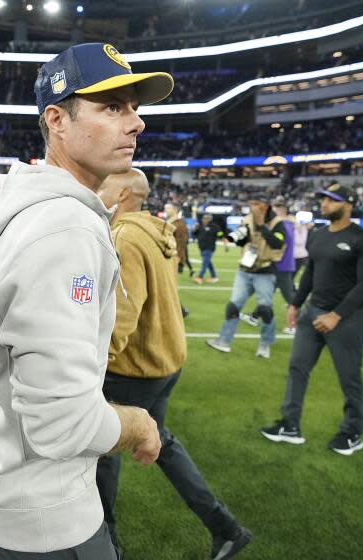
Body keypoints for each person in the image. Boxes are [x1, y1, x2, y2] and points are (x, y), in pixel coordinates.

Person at [0, 42, 173, 559]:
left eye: (134, 107)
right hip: (46, 511)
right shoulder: (65, 228)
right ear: (57, 119)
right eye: (112, 106)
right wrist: (138, 422)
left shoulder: (8, 200)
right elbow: (63, 422)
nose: (136, 122)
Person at [97, 169, 252, 560]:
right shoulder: (157, 231)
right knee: (161, 442)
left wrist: (97, 362)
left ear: (125, 192)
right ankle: (225, 527)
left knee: (102, 449)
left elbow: (123, 315)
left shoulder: (126, 235)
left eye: (104, 186)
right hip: (166, 360)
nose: (98, 191)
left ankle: (105, 543)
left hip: (135, 366)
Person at [261, 185, 363, 455]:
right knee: (297, 369)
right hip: (312, 312)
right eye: (323, 199)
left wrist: (336, 315)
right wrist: (295, 303)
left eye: (331, 200)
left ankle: (352, 432)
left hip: (347, 318)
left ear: (348, 205)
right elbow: (309, 275)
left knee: (349, 377)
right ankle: (290, 425)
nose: (324, 204)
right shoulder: (318, 235)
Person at [206, 198, 287, 358]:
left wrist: (262, 225)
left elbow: (277, 243)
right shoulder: (247, 219)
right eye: (252, 205)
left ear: (266, 206)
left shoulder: (278, 223)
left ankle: (265, 344)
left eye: (257, 205)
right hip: (245, 269)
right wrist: (232, 238)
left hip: (265, 270)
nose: (253, 208)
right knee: (233, 306)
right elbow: (242, 239)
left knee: (265, 309)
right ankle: (224, 341)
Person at [240, 196, 297, 333]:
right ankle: (254, 316)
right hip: (278, 264)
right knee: (267, 294)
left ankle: (296, 325)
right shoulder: (287, 223)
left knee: (290, 297)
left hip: (281, 264)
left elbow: (276, 245)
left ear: (281, 210)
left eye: (275, 208)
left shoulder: (284, 224)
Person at [194, 213, 224, 284]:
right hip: (202, 247)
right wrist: (195, 229)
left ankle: (200, 277)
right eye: (203, 218)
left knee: (205, 264)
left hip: (209, 247)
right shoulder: (200, 226)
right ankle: (214, 277)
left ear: (209, 219)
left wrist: (221, 236)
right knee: (208, 263)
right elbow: (195, 234)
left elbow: (220, 234)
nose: (203, 220)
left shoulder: (214, 226)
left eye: (205, 218)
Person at [164, 202, 193, 276]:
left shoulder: (180, 224)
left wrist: (178, 258)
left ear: (175, 209)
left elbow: (182, 243)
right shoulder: (169, 222)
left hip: (173, 258)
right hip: (165, 255)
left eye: (168, 208)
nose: (165, 210)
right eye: (165, 208)